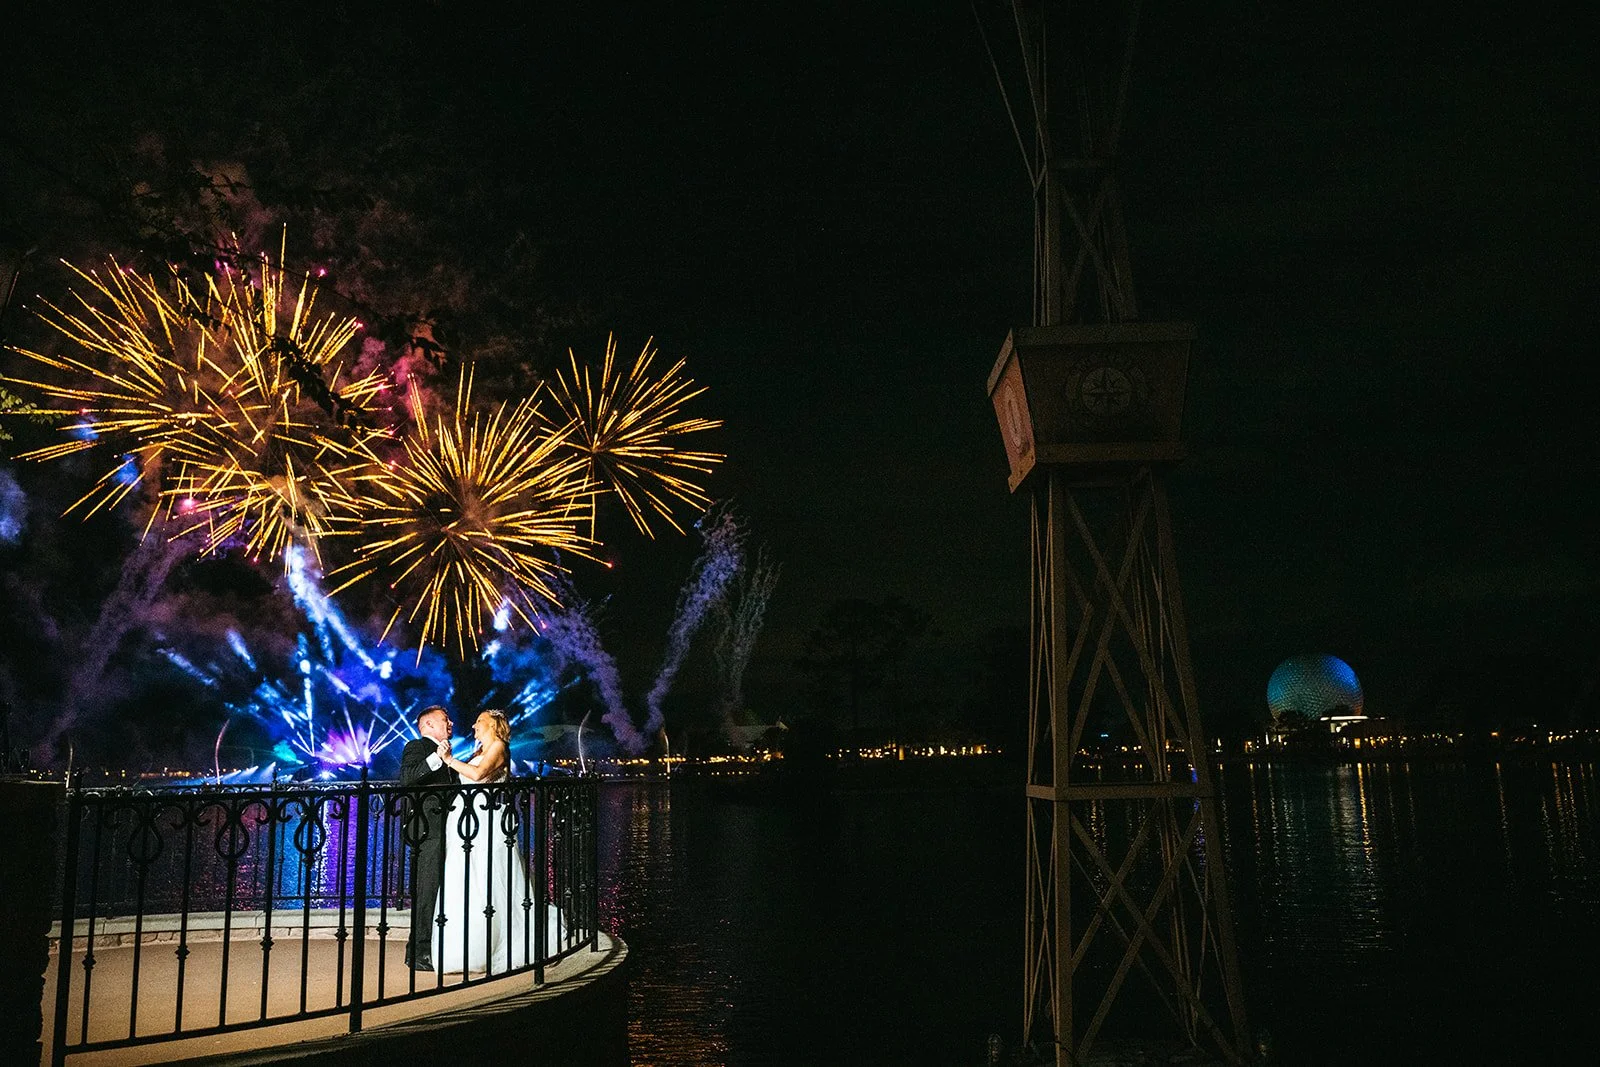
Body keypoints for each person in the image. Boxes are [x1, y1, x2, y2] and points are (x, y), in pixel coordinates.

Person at [433, 709, 563, 974]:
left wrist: (449, 760)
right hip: (468, 820)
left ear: (493, 724)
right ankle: (464, 948)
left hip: (485, 820)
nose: (473, 725)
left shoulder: (499, 747)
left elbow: (479, 775)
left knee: (488, 879)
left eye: (479, 721)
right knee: (466, 881)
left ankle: (490, 946)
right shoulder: (481, 748)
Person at [398, 705, 456, 972]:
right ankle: (420, 951)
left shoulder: (448, 754)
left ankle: (434, 945)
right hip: (427, 829)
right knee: (427, 889)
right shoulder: (416, 746)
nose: (451, 723)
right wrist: (437, 757)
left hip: (447, 829)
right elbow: (408, 778)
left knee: (441, 889)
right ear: (429, 725)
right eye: (445, 720)